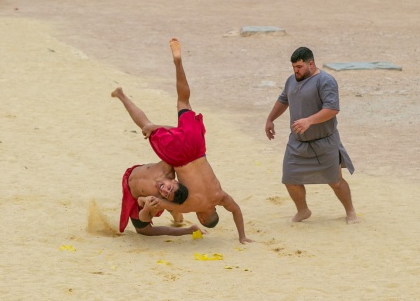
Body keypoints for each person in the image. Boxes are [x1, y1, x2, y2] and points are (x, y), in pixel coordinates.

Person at [111, 39, 253, 244]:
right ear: (202, 216)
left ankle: (178, 63)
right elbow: (160, 204)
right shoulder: (190, 206)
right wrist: (157, 128)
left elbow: (236, 210)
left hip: (198, 148)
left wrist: (243, 234)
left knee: (183, 101)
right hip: (178, 157)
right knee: (146, 125)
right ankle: (127, 101)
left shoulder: (221, 196)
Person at [265, 47, 359, 224]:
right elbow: (284, 99)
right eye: (293, 67)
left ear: (311, 63)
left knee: (335, 181)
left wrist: (309, 121)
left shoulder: (326, 81)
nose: (296, 71)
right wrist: (270, 119)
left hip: (324, 141)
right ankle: (303, 211)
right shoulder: (291, 80)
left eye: (299, 67)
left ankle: (351, 211)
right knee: (290, 178)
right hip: (297, 141)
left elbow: (332, 109)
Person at [118, 161, 203, 237]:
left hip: (133, 194)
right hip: (130, 173)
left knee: (144, 231)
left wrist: (146, 208)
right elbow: (175, 152)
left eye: (166, 194)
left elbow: (144, 218)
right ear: (174, 181)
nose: (164, 189)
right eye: (169, 188)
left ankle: (189, 230)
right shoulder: (166, 167)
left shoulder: (157, 199)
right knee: (171, 201)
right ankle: (178, 217)